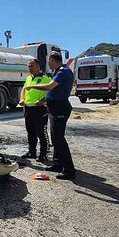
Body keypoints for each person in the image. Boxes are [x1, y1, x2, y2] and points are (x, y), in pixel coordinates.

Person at [32, 52, 76, 180]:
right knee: (55, 138)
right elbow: (55, 92)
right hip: (54, 108)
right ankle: (58, 163)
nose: (48, 63)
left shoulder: (63, 71)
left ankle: (69, 171)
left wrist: (32, 86)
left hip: (60, 108)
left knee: (59, 139)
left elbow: (49, 87)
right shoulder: (58, 71)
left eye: (48, 61)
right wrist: (44, 101)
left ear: (52, 59)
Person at [19, 59, 51, 162]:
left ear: (38, 67)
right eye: (28, 66)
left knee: (41, 132)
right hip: (28, 108)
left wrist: (42, 100)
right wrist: (21, 99)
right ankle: (32, 152)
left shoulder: (46, 78)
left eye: (32, 66)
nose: (30, 68)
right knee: (30, 132)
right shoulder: (29, 78)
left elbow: (51, 92)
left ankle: (43, 154)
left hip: (40, 109)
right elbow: (23, 90)